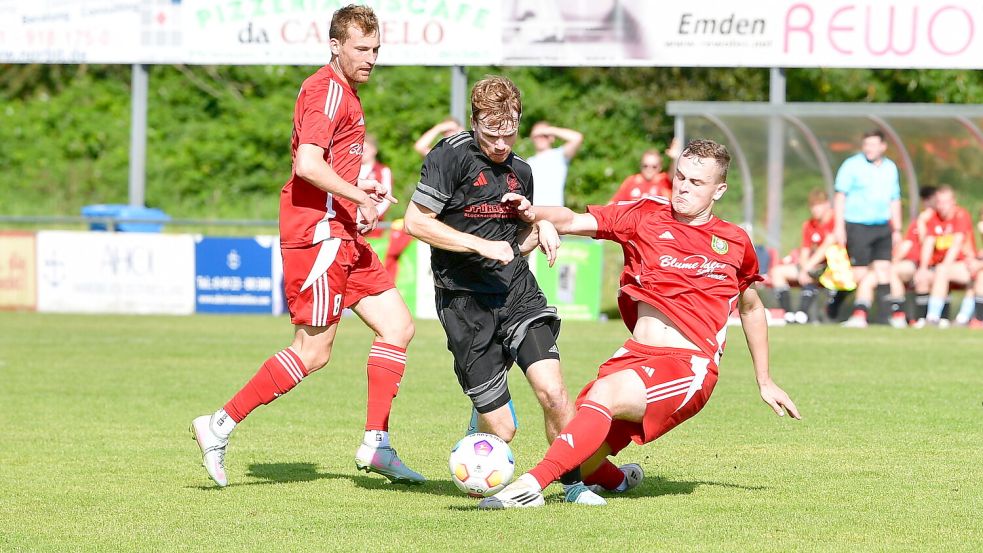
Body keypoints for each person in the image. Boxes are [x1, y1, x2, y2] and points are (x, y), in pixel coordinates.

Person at [479, 139, 800, 509]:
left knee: (603, 396)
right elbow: (571, 218)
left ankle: (528, 487)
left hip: (687, 365)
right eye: (680, 176)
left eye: (697, 182)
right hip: (635, 355)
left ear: (719, 190)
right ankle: (618, 479)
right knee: (580, 445)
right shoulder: (644, 215)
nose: (683, 186)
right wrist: (534, 214)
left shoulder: (734, 241)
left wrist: (764, 379)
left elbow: (751, 307)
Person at [190, 5, 425, 488]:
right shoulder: (326, 91)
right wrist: (360, 194)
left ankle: (376, 445)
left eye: (376, 49)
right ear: (335, 46)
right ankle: (218, 425)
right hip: (317, 235)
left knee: (398, 326)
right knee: (313, 352)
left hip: (342, 231)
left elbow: (328, 167)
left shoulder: (347, 93)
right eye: (362, 48)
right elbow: (308, 165)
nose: (371, 57)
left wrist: (361, 193)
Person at [403, 75, 605, 506]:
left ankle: (573, 484)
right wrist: (479, 244)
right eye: (491, 134)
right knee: (504, 429)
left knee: (554, 392)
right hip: (463, 302)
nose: (500, 143)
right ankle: (481, 423)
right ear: (475, 122)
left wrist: (542, 227)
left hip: (517, 294)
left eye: (509, 133)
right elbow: (416, 222)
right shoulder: (450, 157)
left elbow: (518, 237)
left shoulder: (522, 171)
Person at [834, 129, 904, 328]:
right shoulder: (851, 165)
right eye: (866, 145)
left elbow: (895, 198)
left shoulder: (890, 167)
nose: (869, 149)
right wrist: (839, 227)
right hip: (858, 225)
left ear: (883, 146)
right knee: (861, 274)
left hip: (882, 226)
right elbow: (840, 196)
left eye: (873, 144)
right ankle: (857, 311)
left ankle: (882, 315)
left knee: (883, 269)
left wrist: (897, 229)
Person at [769, 188, 835, 324]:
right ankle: (788, 315)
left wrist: (807, 269)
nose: (814, 209)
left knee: (813, 272)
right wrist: (804, 268)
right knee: (777, 272)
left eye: (818, 205)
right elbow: (805, 250)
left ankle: (802, 313)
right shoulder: (809, 225)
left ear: (827, 204)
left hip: (834, 268)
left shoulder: (836, 222)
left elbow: (826, 247)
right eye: (812, 206)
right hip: (812, 266)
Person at [915, 186, 976, 327]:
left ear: (953, 202)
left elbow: (956, 245)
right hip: (941, 268)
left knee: (942, 272)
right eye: (939, 202)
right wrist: (923, 268)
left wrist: (943, 268)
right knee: (922, 278)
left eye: (945, 202)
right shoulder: (934, 217)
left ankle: (934, 318)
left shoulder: (961, 215)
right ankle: (920, 318)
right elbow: (928, 244)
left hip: (964, 265)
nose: (941, 206)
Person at [890, 186, 938, 324]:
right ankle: (898, 316)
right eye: (925, 199)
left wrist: (922, 223)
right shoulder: (918, 220)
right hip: (914, 263)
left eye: (930, 199)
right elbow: (908, 244)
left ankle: (922, 319)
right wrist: (894, 260)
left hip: (931, 265)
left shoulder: (936, 220)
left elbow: (928, 243)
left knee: (923, 278)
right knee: (893, 271)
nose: (927, 203)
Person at [527, 120, 583, 206]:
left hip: (555, 211)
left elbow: (577, 138)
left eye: (545, 135)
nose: (541, 138)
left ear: (552, 138)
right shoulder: (528, 162)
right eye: (537, 136)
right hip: (533, 212)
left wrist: (550, 130)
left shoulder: (559, 155)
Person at [359, 133, 393, 238]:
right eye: (361, 150)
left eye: (366, 149)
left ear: (374, 150)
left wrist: (373, 214)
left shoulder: (383, 170)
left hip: (373, 226)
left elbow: (386, 199)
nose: (363, 153)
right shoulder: (351, 170)